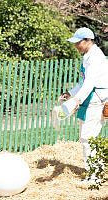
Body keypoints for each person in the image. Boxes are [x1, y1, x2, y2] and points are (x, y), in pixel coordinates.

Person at [60, 27, 108, 184]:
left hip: (95, 101)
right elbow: (82, 82)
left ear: (88, 40)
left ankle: (94, 177)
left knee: (88, 139)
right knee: (87, 138)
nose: (76, 46)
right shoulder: (87, 55)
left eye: (78, 42)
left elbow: (89, 83)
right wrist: (70, 93)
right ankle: (96, 171)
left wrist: (76, 100)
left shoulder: (95, 58)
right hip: (89, 100)